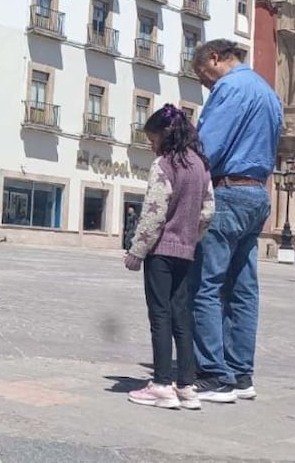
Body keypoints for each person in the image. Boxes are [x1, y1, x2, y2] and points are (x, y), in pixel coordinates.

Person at [188, 39, 282, 404]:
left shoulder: (230, 88)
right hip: (258, 192)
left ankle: (213, 374)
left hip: (227, 192)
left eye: (202, 74)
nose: (205, 83)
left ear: (215, 58)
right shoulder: (267, 92)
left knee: (206, 284)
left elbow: (207, 147)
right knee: (244, 288)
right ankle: (242, 374)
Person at [123, 105, 214, 410]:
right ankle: (186, 385)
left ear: (165, 134)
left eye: (152, 139)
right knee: (182, 317)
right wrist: (191, 237)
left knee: (159, 315)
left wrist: (137, 251)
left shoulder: (164, 164)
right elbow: (208, 211)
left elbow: (154, 212)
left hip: (161, 252)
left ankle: (161, 383)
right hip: (186, 252)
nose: (151, 145)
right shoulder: (201, 166)